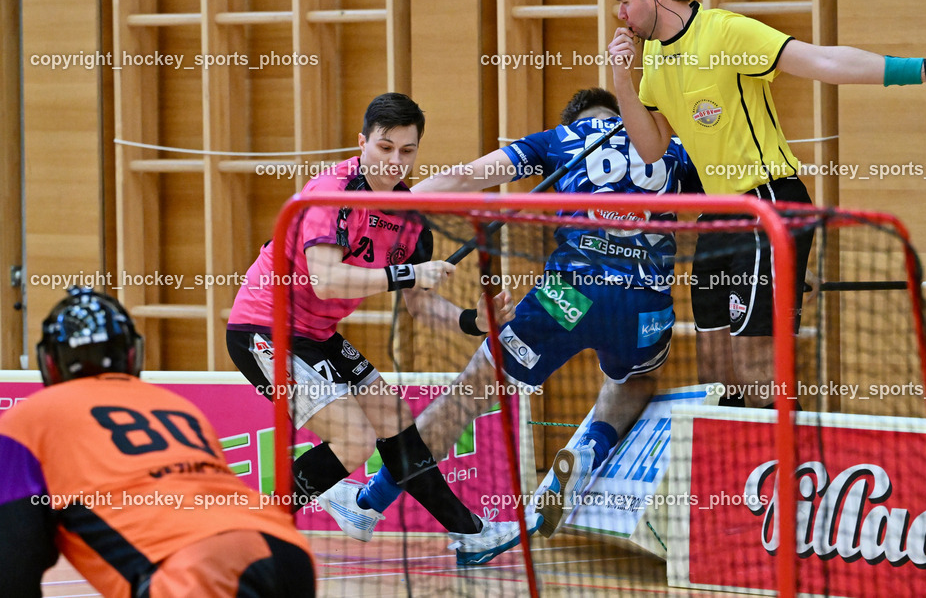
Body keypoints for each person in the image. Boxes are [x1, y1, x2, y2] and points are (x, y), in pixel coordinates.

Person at [603, 0, 926, 408]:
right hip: (715, 219)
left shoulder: (725, 32)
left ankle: (791, 477)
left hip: (768, 205)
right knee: (719, 374)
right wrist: (623, 77)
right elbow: (651, 148)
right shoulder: (655, 59)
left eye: (624, 1)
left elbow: (824, 60)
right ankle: (740, 479)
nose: (619, 14)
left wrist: (923, 70)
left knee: (756, 369)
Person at [357, 87, 703, 538]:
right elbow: (731, 200)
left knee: (464, 398)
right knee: (637, 378)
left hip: (569, 295)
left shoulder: (559, 139)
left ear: (575, 119)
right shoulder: (671, 149)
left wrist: (395, 202)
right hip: (644, 303)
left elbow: (465, 177)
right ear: (626, 114)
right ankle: (591, 452)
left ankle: (369, 502)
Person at [225, 92, 533, 566]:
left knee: (395, 420)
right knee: (352, 441)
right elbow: (325, 281)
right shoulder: (333, 194)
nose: (395, 161)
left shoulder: (411, 221)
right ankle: (250, 535)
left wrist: (474, 321)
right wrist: (409, 273)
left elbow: (421, 307)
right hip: (265, 329)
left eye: (407, 151)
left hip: (318, 335)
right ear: (363, 142)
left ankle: (470, 534)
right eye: (385, 147)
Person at [0, 287, 315, 598]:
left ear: (50, 364)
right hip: (288, 551)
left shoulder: (24, 421)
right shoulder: (177, 406)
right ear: (132, 354)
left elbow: (14, 561)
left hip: (198, 569)